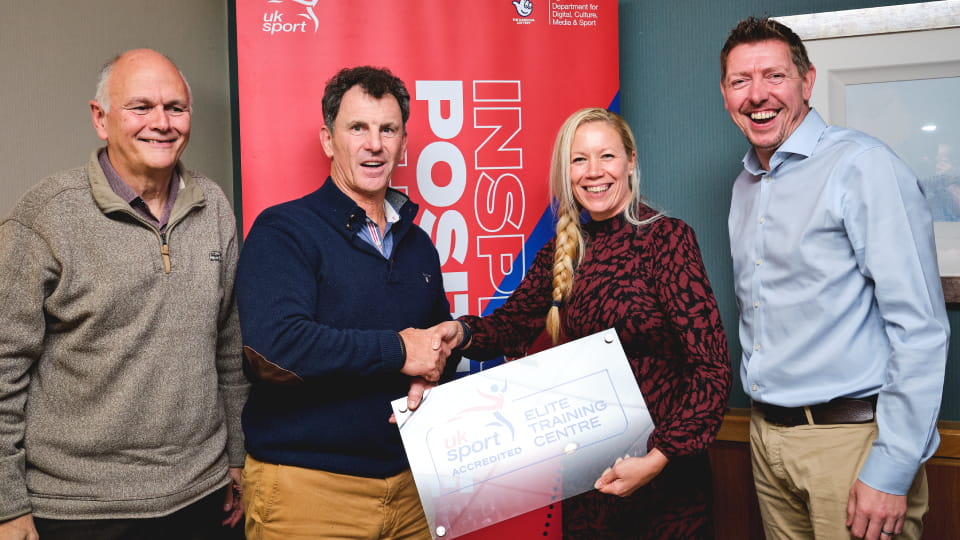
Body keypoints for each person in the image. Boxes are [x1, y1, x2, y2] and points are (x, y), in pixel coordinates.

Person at [432, 107, 732, 539]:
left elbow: (712, 369)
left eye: (606, 156)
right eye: (579, 159)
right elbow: (510, 326)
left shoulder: (667, 239)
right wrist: (459, 332)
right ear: (567, 171)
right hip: (591, 484)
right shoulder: (562, 252)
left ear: (630, 161)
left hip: (667, 483)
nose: (593, 172)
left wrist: (658, 458)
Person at [0, 49, 248, 540]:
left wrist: (236, 456)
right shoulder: (47, 216)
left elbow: (229, 347)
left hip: (202, 494)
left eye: (175, 108)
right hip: (79, 510)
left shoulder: (214, 206)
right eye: (141, 107)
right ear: (101, 119)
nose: (162, 123)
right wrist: (7, 505)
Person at [719, 16, 950, 540]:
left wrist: (892, 468)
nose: (757, 95)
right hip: (767, 440)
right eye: (740, 81)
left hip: (852, 445)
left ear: (807, 81)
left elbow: (920, 328)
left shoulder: (863, 166)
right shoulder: (745, 186)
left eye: (774, 76)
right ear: (725, 95)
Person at [236, 66, 457, 539]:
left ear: (403, 143)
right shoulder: (284, 231)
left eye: (388, 130)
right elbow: (275, 348)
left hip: (413, 487)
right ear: (328, 140)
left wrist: (438, 363)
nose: (374, 144)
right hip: (310, 492)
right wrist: (399, 351)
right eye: (357, 128)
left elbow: (432, 347)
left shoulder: (419, 245)